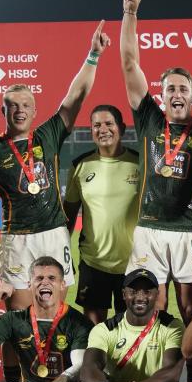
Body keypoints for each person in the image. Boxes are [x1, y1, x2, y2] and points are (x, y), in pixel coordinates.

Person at [0, 21, 110, 382]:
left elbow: (75, 97)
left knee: (56, 314)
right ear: (2, 111)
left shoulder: (48, 135)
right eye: (12, 106)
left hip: (54, 237)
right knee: (20, 316)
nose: (19, 111)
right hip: (17, 239)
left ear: (35, 109)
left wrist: (94, 54)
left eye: (25, 105)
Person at [119, 0, 192, 382]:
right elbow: (128, 62)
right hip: (150, 231)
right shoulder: (149, 120)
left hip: (187, 230)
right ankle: (155, 378)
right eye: (171, 88)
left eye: (184, 89)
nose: (177, 94)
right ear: (162, 92)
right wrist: (130, 13)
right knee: (147, 307)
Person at [64, 104, 141, 323]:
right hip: (93, 262)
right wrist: (63, 253)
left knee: (130, 330)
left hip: (134, 262)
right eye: (96, 125)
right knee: (94, 332)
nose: (102, 129)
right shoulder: (80, 166)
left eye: (109, 123)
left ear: (122, 128)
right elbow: (69, 215)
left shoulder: (139, 163)